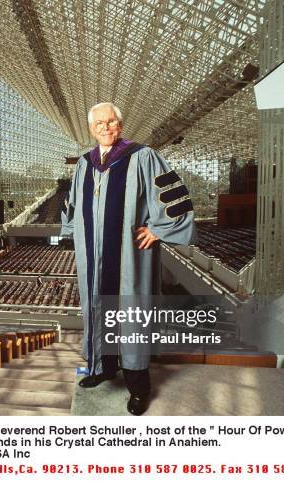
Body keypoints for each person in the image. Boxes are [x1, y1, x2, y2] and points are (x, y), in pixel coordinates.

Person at [61, 102, 196, 415]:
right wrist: (73, 234)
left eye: (111, 122)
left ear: (119, 125)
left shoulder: (142, 156)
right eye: (99, 124)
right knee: (97, 307)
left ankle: (138, 388)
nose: (106, 128)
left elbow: (172, 195)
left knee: (130, 313)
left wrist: (160, 229)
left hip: (128, 254)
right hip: (93, 255)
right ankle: (104, 369)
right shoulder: (84, 163)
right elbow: (72, 204)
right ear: (91, 129)